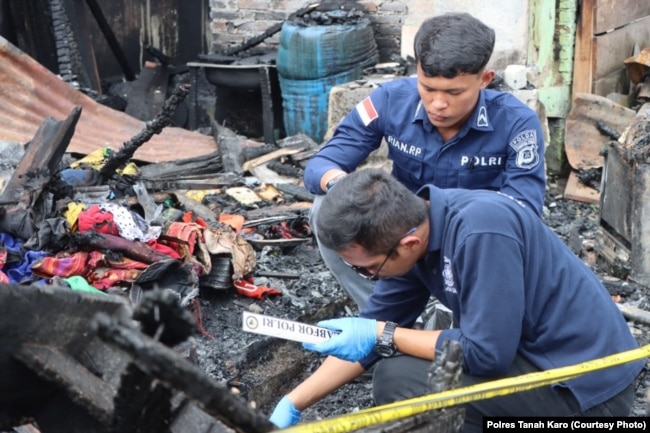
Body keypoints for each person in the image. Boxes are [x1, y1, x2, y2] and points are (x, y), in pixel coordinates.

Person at [270, 168, 644, 432]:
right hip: (539, 365)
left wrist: (384, 335)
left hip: (589, 396)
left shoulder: (482, 231)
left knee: (402, 377)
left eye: (367, 269)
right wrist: (292, 403)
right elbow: (369, 338)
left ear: (408, 243)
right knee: (399, 361)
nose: (367, 278)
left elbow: (486, 353)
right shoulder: (416, 234)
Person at [303, 12, 547, 311]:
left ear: (485, 79)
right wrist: (342, 187)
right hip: (399, 237)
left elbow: (524, 209)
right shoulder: (390, 100)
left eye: (454, 92)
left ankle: (465, 315)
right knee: (326, 205)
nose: (438, 104)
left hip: (473, 240)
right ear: (417, 71)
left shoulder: (516, 123)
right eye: (428, 88)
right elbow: (320, 164)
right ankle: (378, 310)